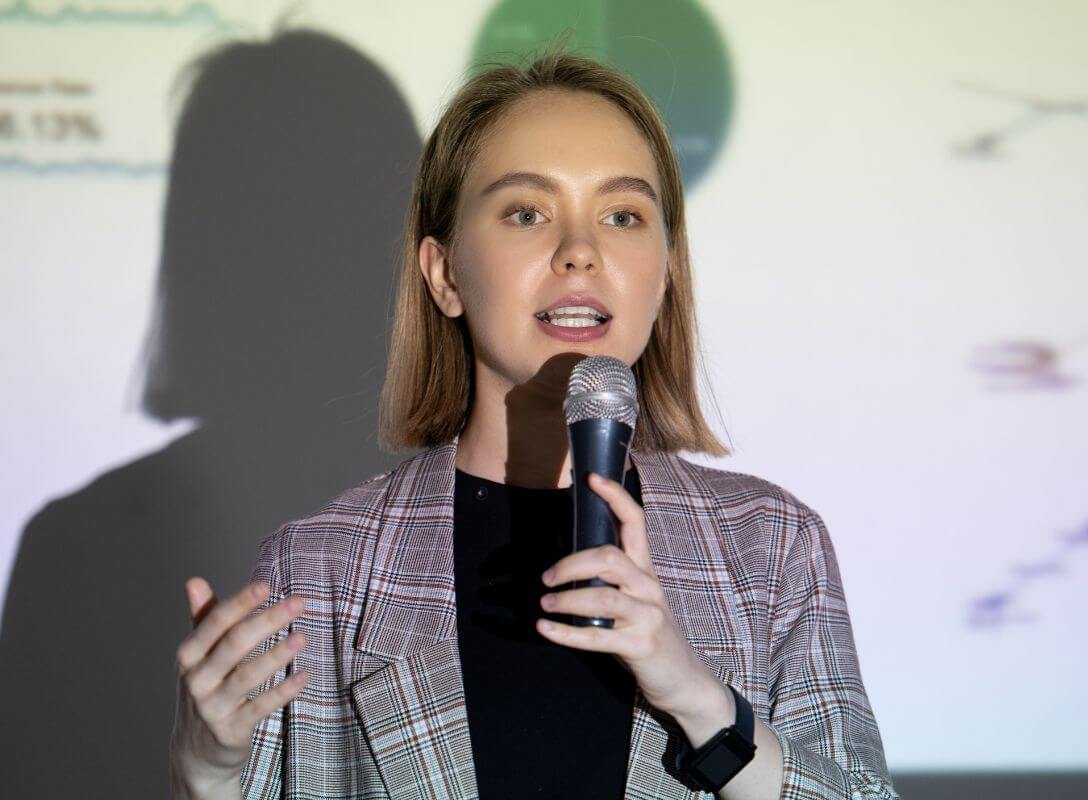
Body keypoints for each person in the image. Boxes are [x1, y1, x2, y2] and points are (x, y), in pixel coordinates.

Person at [168, 48, 899, 800]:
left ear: (666, 270)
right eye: (527, 212)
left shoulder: (771, 547)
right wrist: (208, 770)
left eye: (623, 216)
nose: (581, 252)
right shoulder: (320, 572)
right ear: (445, 274)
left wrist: (701, 703)